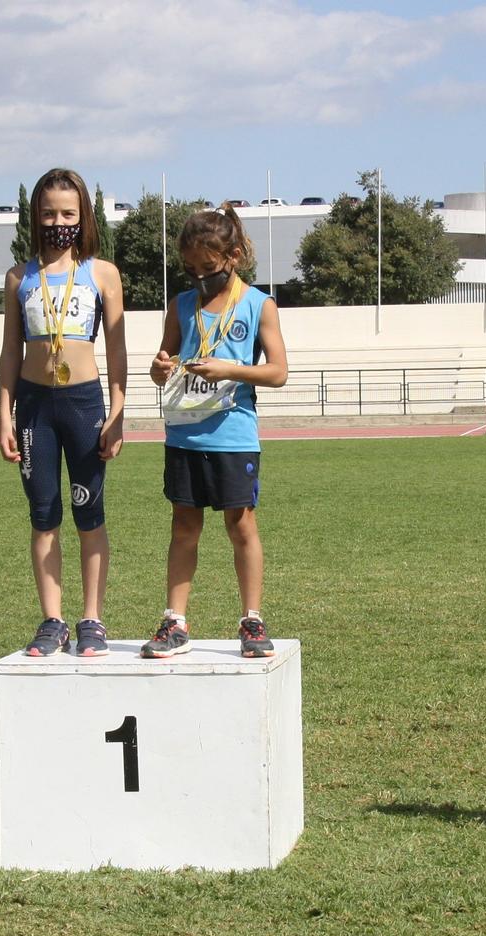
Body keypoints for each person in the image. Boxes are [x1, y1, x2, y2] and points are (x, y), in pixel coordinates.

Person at [140, 205, 289, 659]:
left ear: (235, 255)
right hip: (185, 434)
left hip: (233, 435)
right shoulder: (181, 305)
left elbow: (279, 372)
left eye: (208, 268)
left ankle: (252, 621)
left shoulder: (258, 304)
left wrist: (230, 368)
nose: (200, 277)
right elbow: (160, 367)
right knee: (184, 525)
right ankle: (174, 622)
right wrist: (160, 367)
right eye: (191, 270)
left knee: (240, 525)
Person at [0, 169, 128, 658]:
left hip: (85, 405)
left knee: (89, 514)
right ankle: (52, 621)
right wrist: (4, 415)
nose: (58, 222)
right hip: (35, 408)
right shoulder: (19, 277)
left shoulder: (102, 273)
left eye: (68, 214)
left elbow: (116, 351)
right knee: (44, 516)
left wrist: (117, 411)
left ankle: (91, 618)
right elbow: (10, 352)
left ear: (83, 217)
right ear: (36, 217)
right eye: (49, 213)